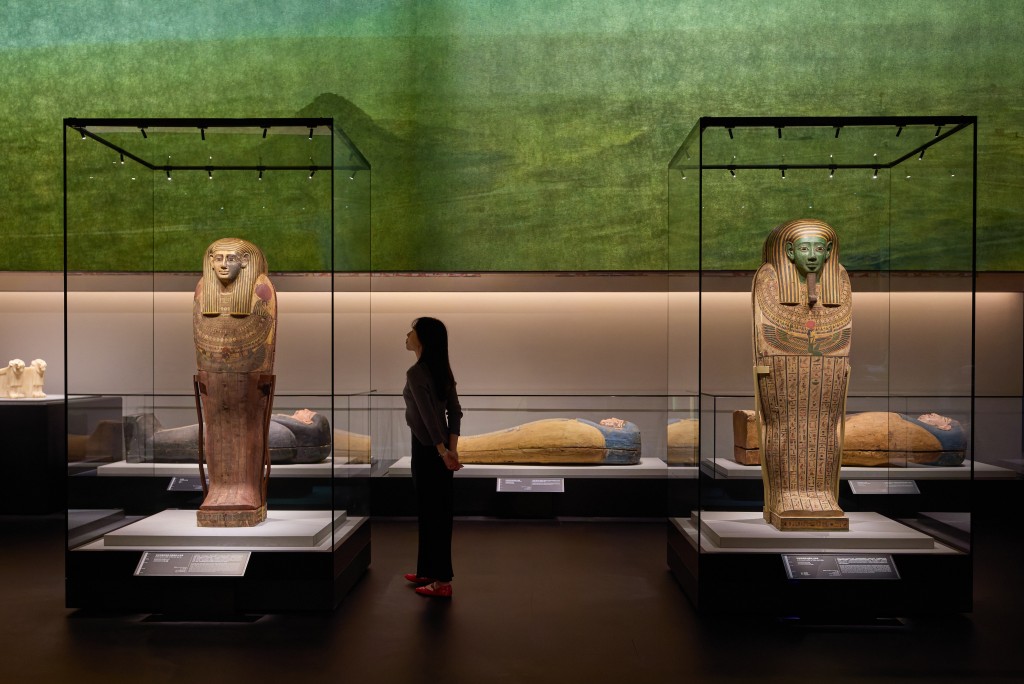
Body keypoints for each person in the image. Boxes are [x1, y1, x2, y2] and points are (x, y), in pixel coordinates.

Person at [402, 316, 463, 598]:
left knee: (432, 514)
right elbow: (455, 412)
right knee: (435, 512)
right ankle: (428, 570)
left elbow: (427, 417)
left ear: (423, 339)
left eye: (412, 331)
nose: (407, 335)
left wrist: (441, 452)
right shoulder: (441, 371)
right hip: (440, 450)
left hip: (429, 450)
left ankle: (441, 581)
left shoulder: (416, 373)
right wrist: (452, 449)